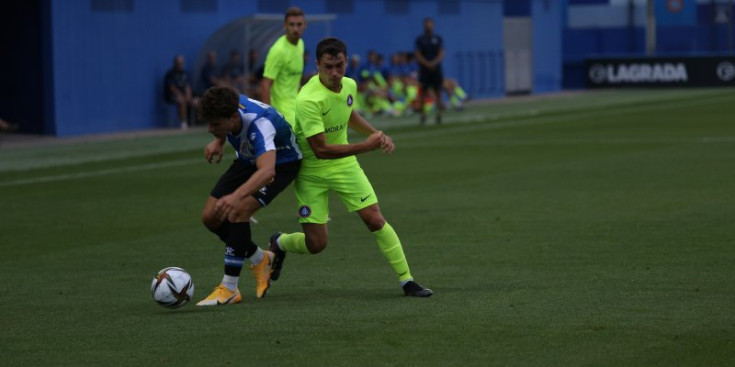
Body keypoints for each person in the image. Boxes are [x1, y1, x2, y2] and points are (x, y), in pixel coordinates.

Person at [268, 38, 433, 298]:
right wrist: (367, 146)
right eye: (328, 66)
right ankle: (280, 242)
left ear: (346, 61)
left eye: (340, 66)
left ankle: (407, 281)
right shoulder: (308, 100)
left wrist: (376, 133)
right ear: (317, 65)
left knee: (375, 219)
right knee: (317, 244)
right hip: (312, 172)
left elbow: (348, 113)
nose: (335, 73)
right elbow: (321, 149)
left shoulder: (349, 85)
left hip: (345, 165)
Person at [195, 86, 302, 306]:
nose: (210, 128)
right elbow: (229, 125)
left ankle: (229, 288)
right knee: (210, 217)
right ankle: (260, 258)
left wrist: (236, 196)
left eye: (215, 125)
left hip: (281, 164)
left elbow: (267, 171)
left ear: (233, 117)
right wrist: (219, 139)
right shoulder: (231, 105)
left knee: (238, 210)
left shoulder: (260, 125)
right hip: (249, 157)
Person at [260, 6, 306, 126]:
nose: (295, 28)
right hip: (282, 113)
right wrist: (269, 118)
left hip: (297, 108)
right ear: (284, 26)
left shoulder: (300, 44)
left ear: (304, 25)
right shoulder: (278, 51)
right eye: (291, 24)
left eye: (299, 24)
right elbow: (265, 85)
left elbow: (294, 80)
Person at [415, 17, 445, 125]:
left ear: (433, 25)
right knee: (423, 91)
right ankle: (422, 115)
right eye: (427, 24)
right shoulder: (420, 39)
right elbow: (418, 54)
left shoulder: (438, 38)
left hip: (436, 69)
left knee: (438, 91)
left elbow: (441, 53)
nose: (429, 26)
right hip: (425, 69)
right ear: (424, 26)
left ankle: (439, 114)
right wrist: (427, 64)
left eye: (430, 24)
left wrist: (434, 63)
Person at [164, 55, 198, 129]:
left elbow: (188, 86)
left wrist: (188, 95)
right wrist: (180, 94)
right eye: (178, 63)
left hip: (185, 95)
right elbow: (171, 87)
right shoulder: (170, 74)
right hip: (172, 96)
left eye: (181, 63)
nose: (180, 65)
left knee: (196, 101)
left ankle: (199, 123)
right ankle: (183, 122)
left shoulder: (185, 73)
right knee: (181, 100)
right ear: (175, 63)